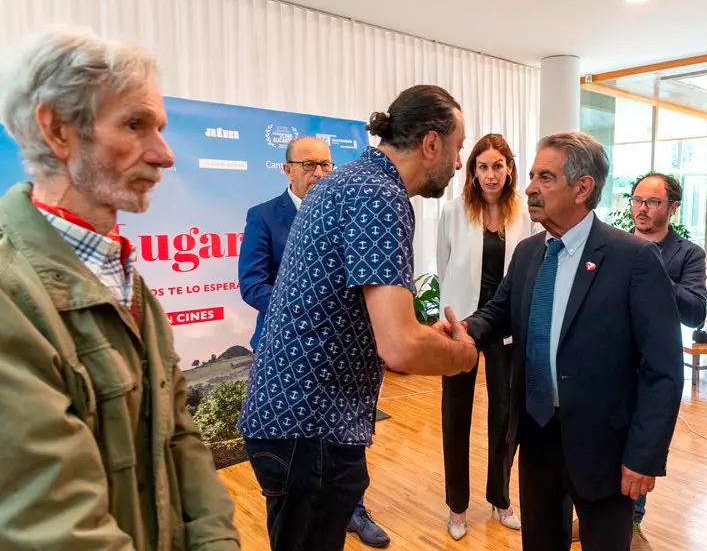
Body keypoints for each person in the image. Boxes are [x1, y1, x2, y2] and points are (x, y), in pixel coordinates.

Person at [0, 26, 240, 550]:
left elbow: (181, 437)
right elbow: (58, 528)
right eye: (135, 124)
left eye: (159, 127)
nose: (165, 154)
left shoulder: (119, 276)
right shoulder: (10, 295)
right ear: (57, 130)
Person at [237, 84, 479, 551]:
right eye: (457, 149)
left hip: (293, 422)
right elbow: (401, 347)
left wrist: (416, 331)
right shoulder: (379, 196)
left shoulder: (347, 182)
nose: (457, 164)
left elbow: (352, 311)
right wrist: (462, 355)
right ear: (431, 142)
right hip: (312, 428)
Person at [439, 131, 684, 551]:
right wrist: (467, 330)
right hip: (536, 433)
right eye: (533, 175)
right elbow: (499, 312)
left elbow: (663, 369)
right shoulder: (530, 251)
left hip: (603, 446)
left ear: (582, 188)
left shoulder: (634, 260)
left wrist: (644, 456)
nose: (530, 187)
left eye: (545, 178)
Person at [238, 136, 390, 548]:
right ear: (287, 169)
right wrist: (304, 310)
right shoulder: (264, 217)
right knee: (299, 470)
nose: (320, 173)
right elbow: (252, 285)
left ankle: (354, 510)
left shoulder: (346, 212)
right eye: (309, 165)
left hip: (343, 358)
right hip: (286, 353)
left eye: (326, 165)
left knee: (345, 446)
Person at [437, 133, 538, 539]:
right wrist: (447, 319)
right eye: (483, 166)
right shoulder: (454, 210)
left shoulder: (524, 213)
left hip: (507, 327)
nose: (491, 174)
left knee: (505, 417)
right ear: (472, 171)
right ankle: (457, 506)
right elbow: (442, 265)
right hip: (463, 326)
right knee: (455, 415)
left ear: (510, 169)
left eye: (498, 165)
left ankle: (500, 497)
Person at [628, 171, 707, 550]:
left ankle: (631, 524)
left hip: (655, 371)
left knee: (642, 447)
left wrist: (652, 268)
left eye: (653, 202)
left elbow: (695, 312)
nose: (642, 209)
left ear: (672, 207)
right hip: (609, 364)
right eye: (637, 200)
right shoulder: (614, 245)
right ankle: (597, 516)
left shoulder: (688, 254)